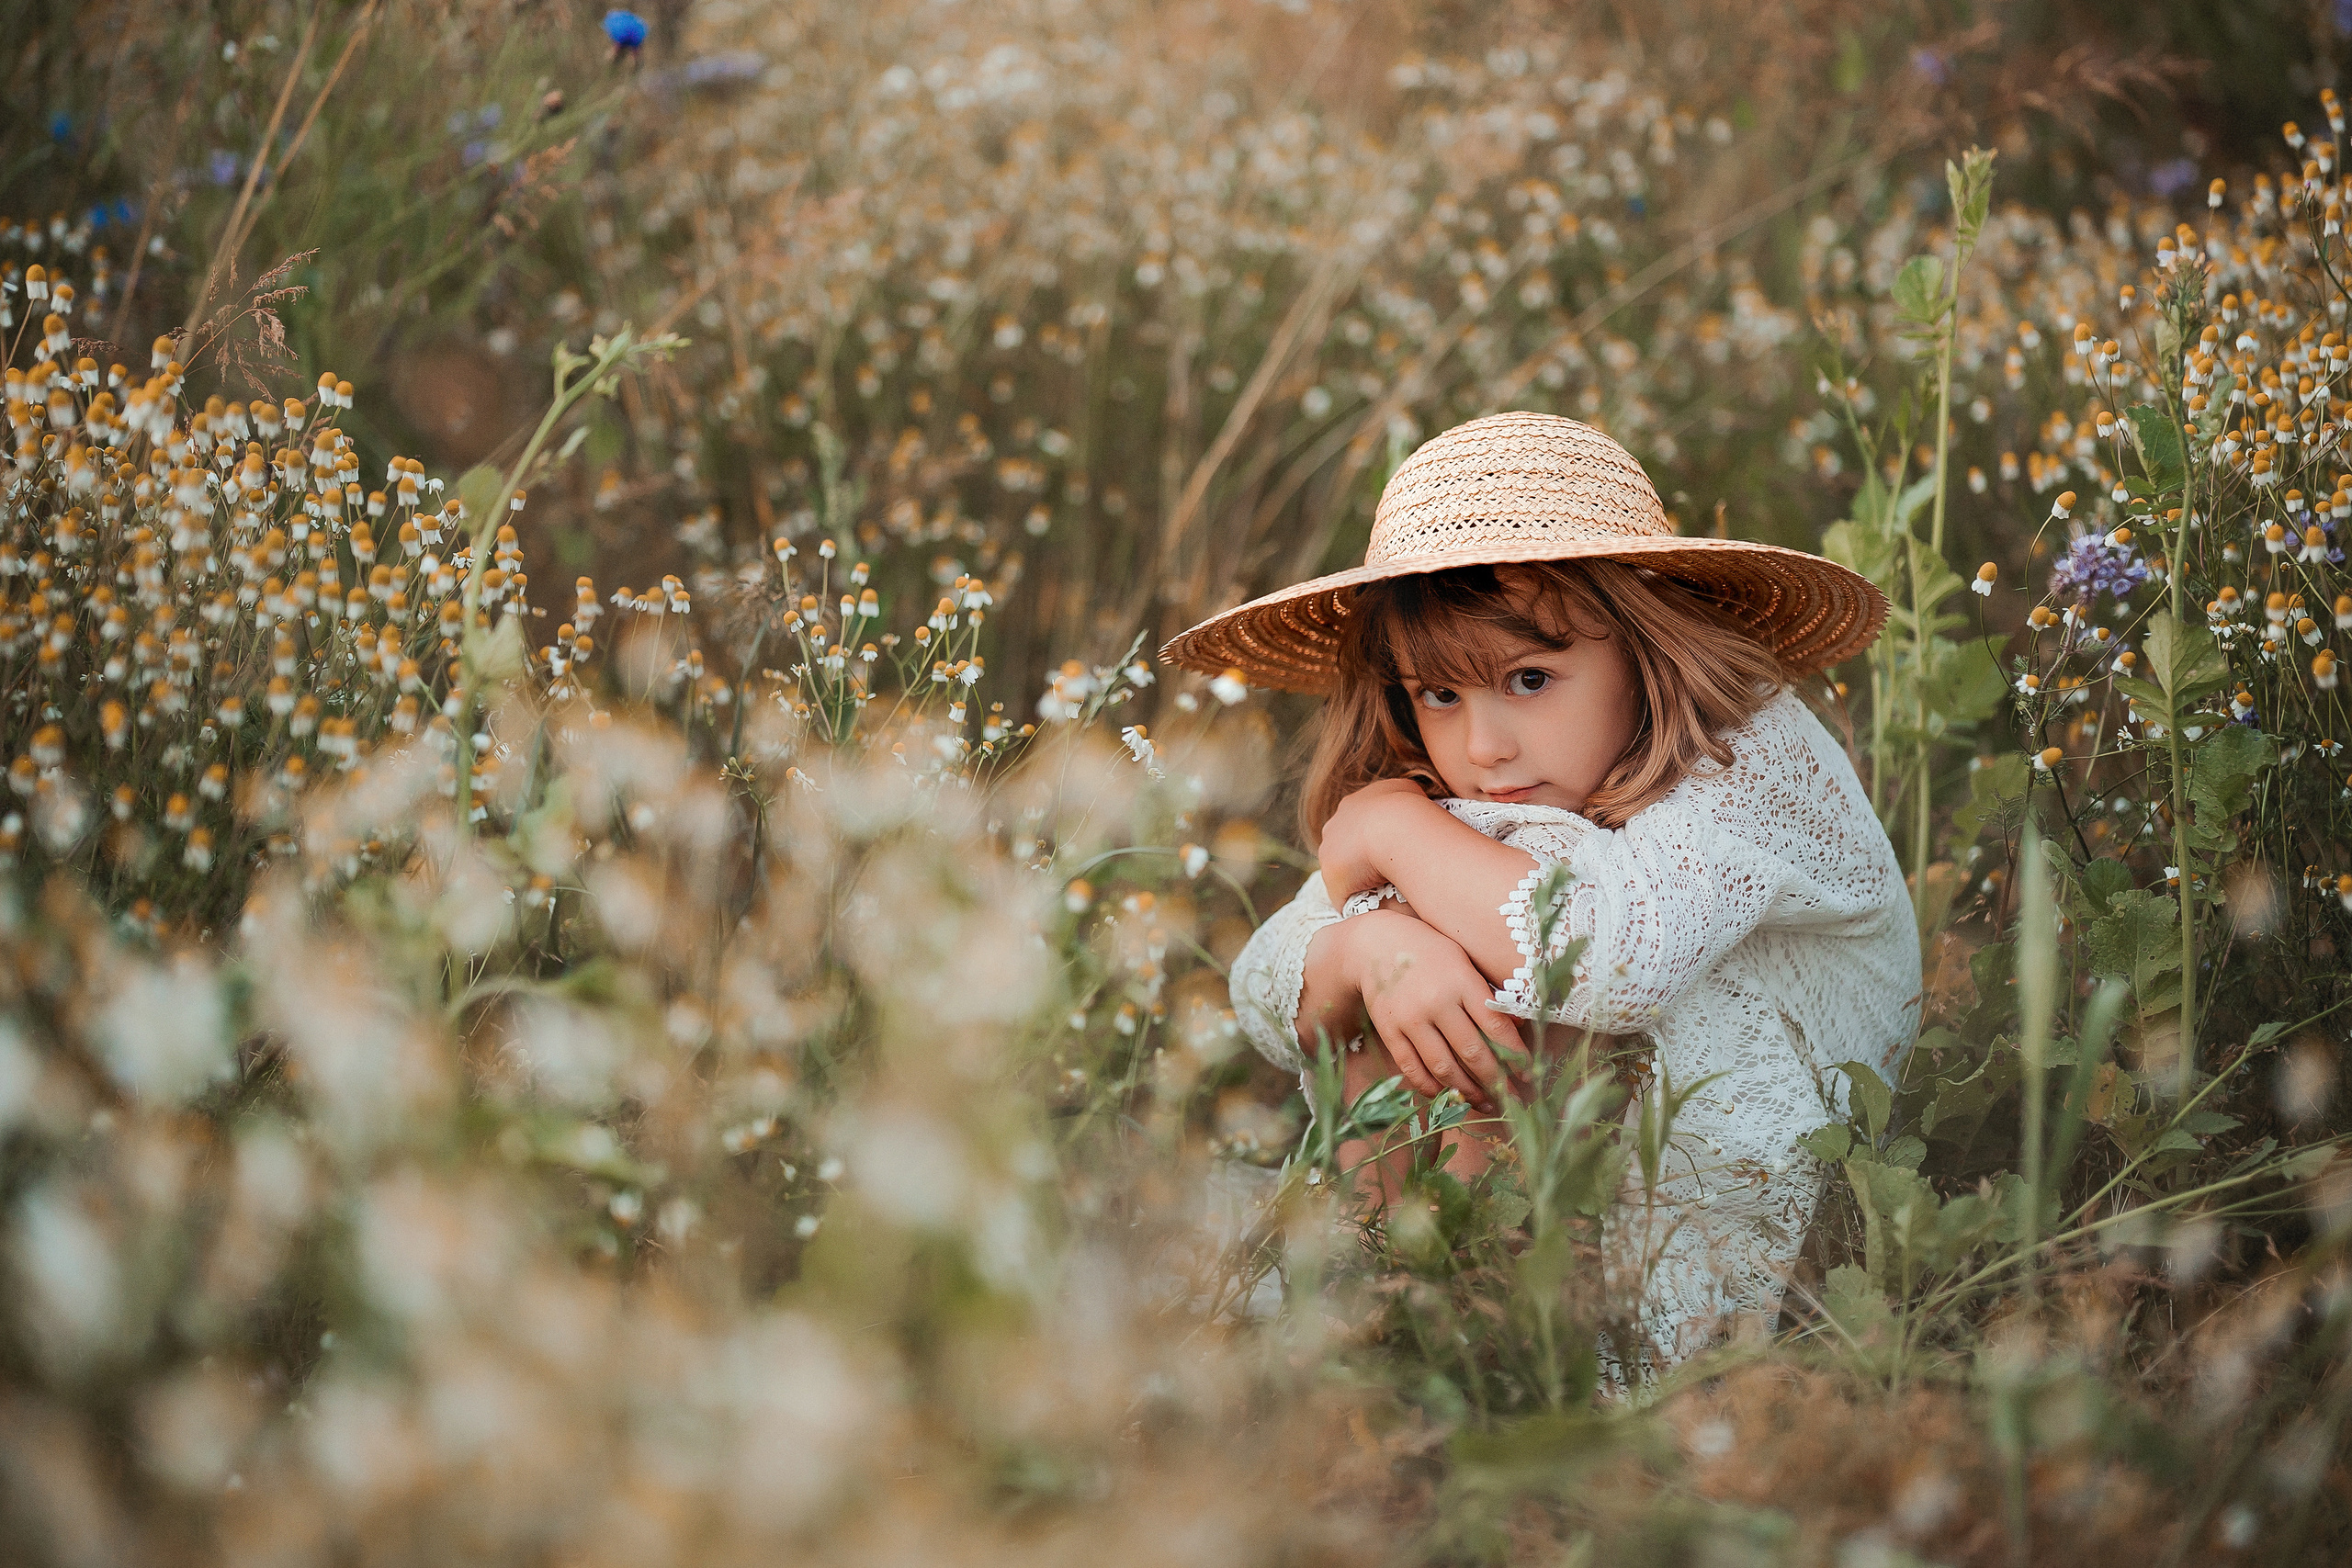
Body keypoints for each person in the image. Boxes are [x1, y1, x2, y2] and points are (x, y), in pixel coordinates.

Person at [1160, 412, 1921, 1372]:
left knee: (1496, 936)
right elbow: (1265, 995)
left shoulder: (1746, 751)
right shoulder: (1480, 798)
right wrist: (1370, 951)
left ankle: (1497, 1331)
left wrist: (1391, 831)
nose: (1484, 748)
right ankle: (1388, 1310)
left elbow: (1607, 958)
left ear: (1643, 648)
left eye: (1529, 678)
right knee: (1402, 949)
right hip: (1560, 1186)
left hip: (1747, 1196)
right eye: (1438, 696)